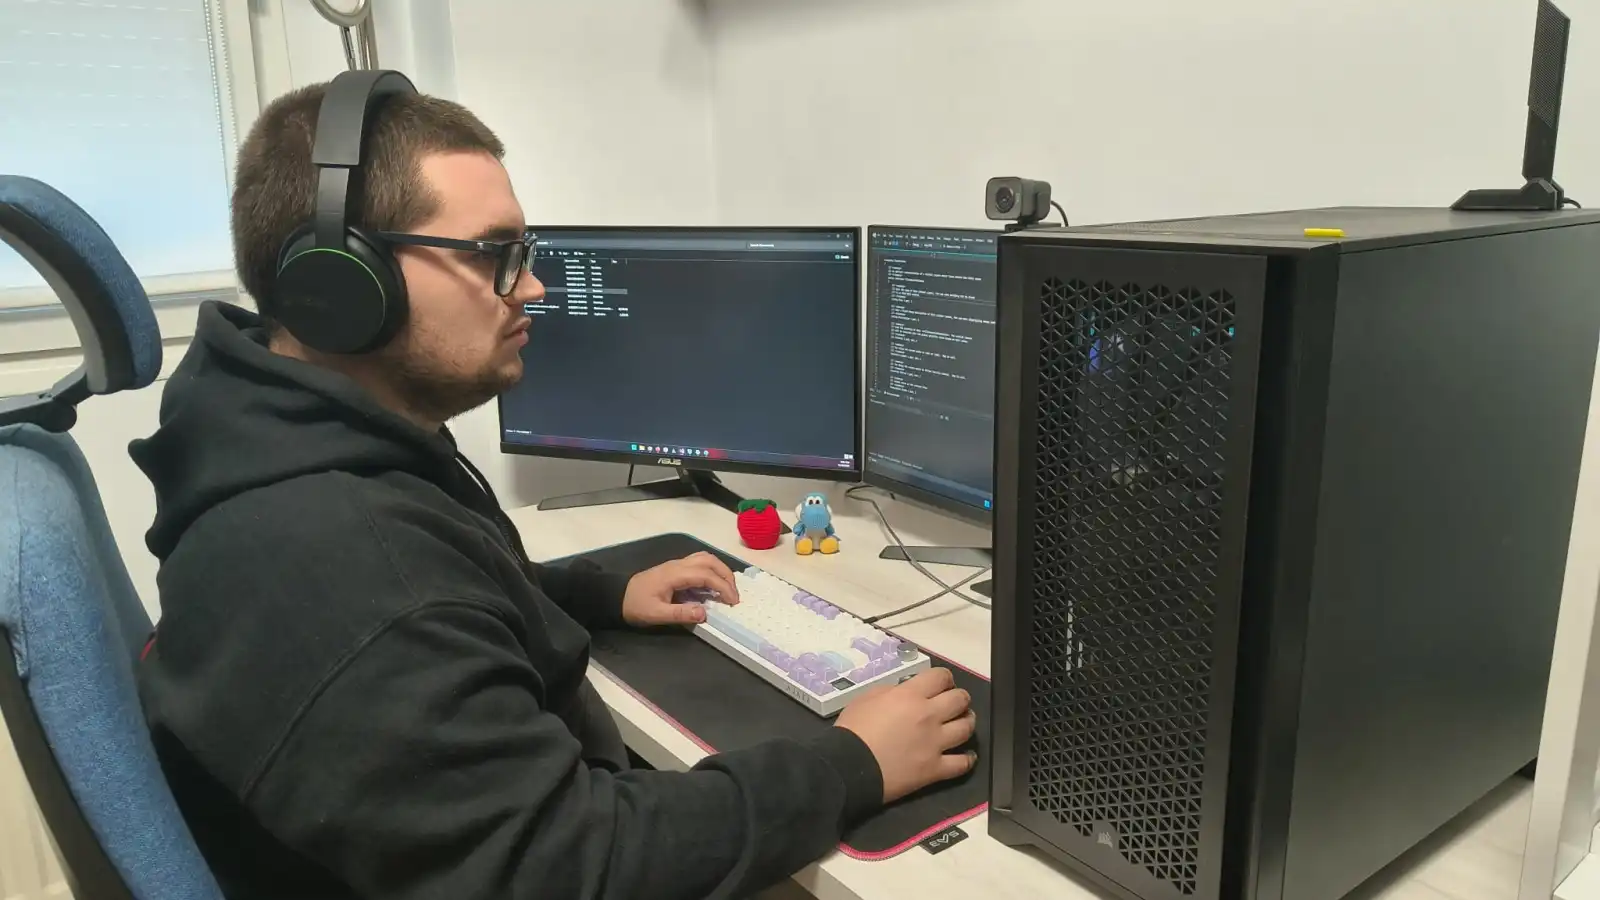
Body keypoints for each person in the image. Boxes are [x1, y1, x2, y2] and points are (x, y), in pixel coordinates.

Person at [130, 79, 978, 900]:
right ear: (344, 285)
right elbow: (569, 867)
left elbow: (446, 595)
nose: (534, 287)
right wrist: (851, 764)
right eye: (497, 254)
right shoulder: (350, 559)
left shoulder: (273, 438)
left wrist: (599, 593)